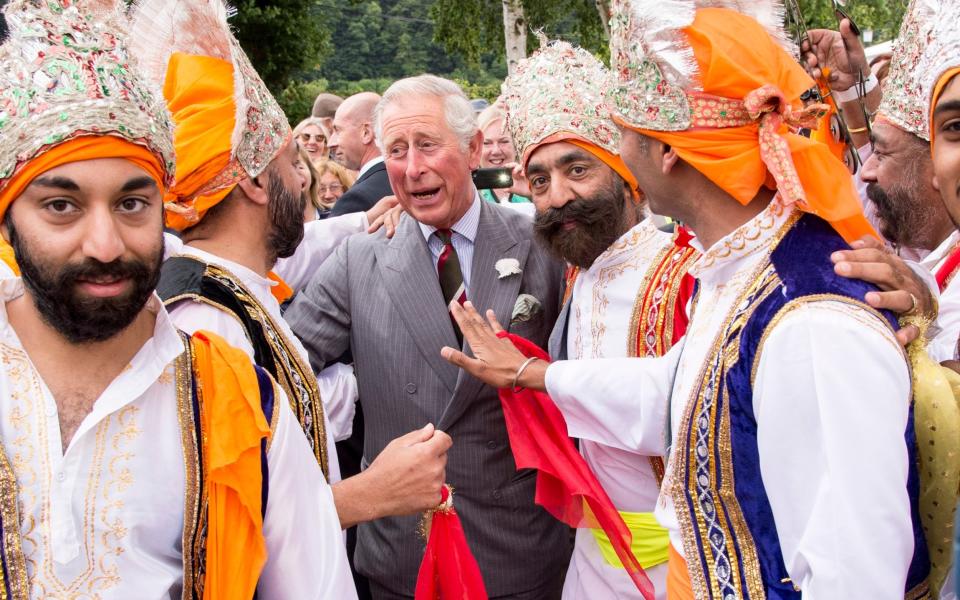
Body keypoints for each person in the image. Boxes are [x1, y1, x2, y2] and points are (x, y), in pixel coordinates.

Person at [443, 3, 932, 597]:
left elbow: (853, 573)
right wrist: (529, 375)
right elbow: (674, 392)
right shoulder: (738, 274)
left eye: (620, 134)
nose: (618, 152)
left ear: (667, 150)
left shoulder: (810, 314)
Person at [0, 0, 354, 596]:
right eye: (62, 206)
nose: (106, 244)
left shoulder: (237, 403)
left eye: (132, 203)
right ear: (9, 221)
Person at [130, 0, 450, 545]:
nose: (303, 180)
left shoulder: (235, 292)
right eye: (291, 166)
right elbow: (209, 534)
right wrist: (370, 493)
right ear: (256, 183)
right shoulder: (206, 326)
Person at [286, 74, 571, 599]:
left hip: (520, 547)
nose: (412, 168)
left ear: (473, 148)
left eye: (427, 145)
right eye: (396, 150)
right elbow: (282, 368)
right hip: (404, 549)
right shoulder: (360, 256)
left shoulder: (540, 243)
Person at [499, 39, 699, 599]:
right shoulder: (577, 267)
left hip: (682, 560)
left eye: (577, 170)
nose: (558, 196)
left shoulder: (688, 267)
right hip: (594, 556)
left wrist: (531, 376)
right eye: (539, 181)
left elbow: (683, 403)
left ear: (623, 171)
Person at [329, 92, 393, 216]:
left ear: (366, 133)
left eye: (338, 130)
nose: (330, 143)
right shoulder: (405, 181)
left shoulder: (356, 199)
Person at [478, 104, 530, 204]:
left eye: (504, 141)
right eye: (487, 143)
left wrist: (536, 194)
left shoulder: (533, 185)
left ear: (516, 145)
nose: (496, 151)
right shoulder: (467, 193)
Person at [298, 147, 328, 220]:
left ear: (312, 174)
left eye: (300, 167)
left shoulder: (333, 216)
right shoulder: (272, 226)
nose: (294, 174)